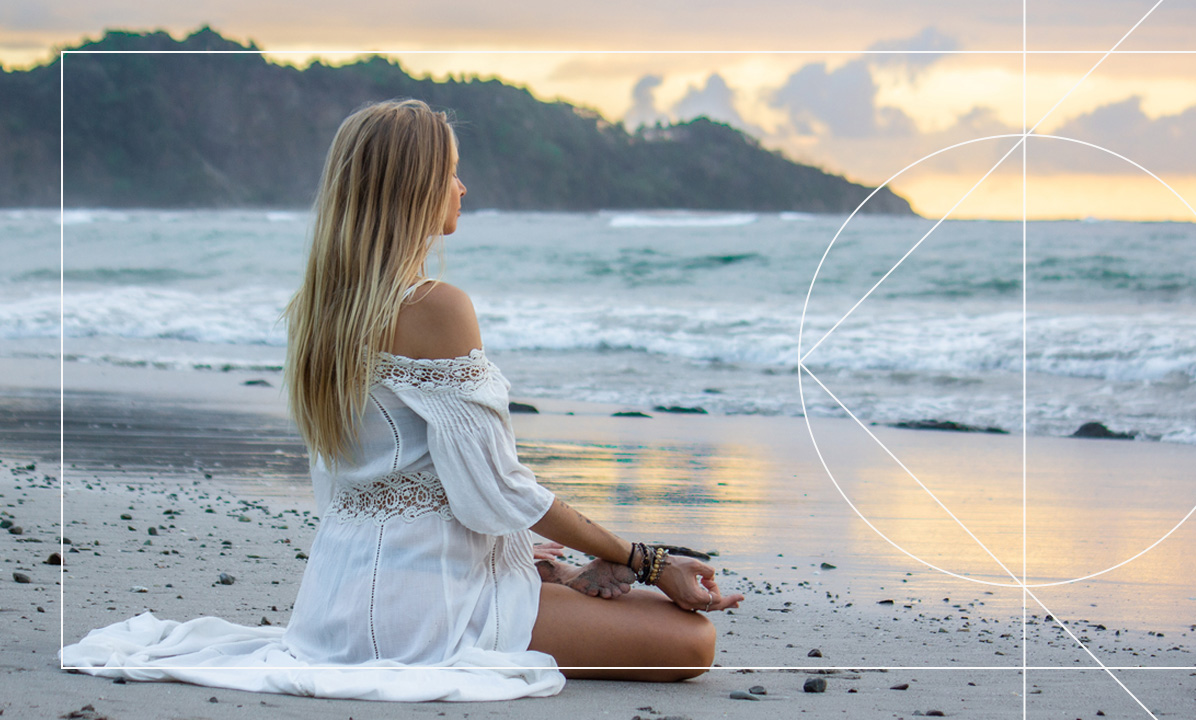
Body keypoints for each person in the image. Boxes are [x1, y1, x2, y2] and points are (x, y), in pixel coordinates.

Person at [60, 98, 742, 702]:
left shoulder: (321, 310)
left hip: (335, 597)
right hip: (425, 604)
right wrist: (645, 559)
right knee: (690, 643)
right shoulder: (436, 307)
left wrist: (544, 563)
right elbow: (497, 488)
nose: (462, 186)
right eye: (450, 172)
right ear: (413, 189)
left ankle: (532, 580)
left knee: (616, 612)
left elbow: (363, 480)